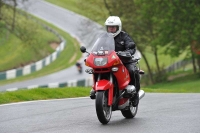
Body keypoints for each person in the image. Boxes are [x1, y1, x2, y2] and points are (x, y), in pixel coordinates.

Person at [90, 16, 140, 107]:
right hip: (109, 61)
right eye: (109, 27)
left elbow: (131, 46)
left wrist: (127, 52)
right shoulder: (103, 37)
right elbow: (96, 48)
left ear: (118, 27)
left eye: (113, 27)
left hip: (123, 61)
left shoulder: (124, 36)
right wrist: (90, 54)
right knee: (95, 69)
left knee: (132, 70)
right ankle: (95, 88)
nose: (111, 29)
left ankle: (135, 94)